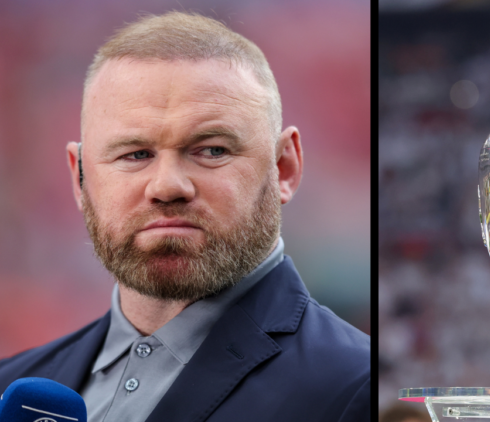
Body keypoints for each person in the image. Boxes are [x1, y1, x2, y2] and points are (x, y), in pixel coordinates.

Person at [0, 11, 370, 422]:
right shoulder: (11, 388)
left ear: (284, 168)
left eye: (212, 150)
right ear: (80, 177)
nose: (168, 185)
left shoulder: (357, 387)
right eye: (135, 154)